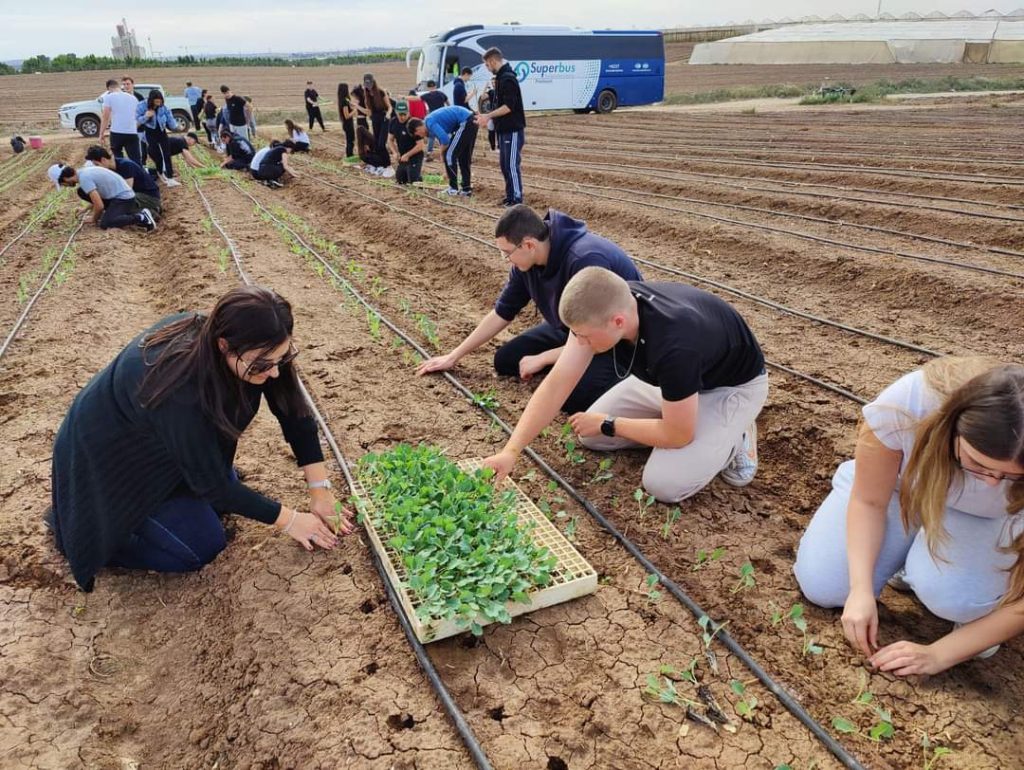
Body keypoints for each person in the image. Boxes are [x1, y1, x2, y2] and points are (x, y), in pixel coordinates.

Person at [48, 286, 353, 592]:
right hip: (114, 472)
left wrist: (320, 490)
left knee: (221, 495)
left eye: (280, 359)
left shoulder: (256, 346)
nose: (273, 373)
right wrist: (291, 521)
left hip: (164, 451)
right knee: (202, 546)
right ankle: (105, 538)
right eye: (262, 364)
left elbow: (293, 410)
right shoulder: (178, 387)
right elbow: (215, 486)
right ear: (224, 346)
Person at [793, 359, 1024, 675]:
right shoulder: (911, 403)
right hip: (899, 491)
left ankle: (925, 563)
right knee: (826, 585)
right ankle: (906, 554)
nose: (991, 482)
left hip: (985, 518)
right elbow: (869, 501)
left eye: (1012, 477)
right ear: (953, 426)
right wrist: (860, 591)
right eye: (978, 465)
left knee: (960, 600)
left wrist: (940, 654)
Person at [481, 268, 768, 504]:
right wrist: (511, 450)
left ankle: (736, 434)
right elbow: (557, 384)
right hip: (676, 384)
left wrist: (610, 424)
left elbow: (679, 435)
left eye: (582, 336)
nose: (578, 343)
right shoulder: (605, 306)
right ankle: (677, 413)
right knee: (591, 437)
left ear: (618, 322)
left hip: (727, 389)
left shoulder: (674, 344)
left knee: (663, 484)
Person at [418, 205, 644, 412]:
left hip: (613, 341)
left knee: (570, 398)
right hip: (571, 330)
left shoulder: (584, 259)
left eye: (507, 252)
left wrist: (545, 358)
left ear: (528, 244)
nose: (505, 259)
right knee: (506, 360)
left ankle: (629, 377)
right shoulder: (526, 265)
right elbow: (502, 312)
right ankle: (566, 367)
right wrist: (454, 356)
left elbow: (599, 331)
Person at [476, 47, 526, 207]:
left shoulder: (508, 79)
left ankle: (517, 199)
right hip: (503, 130)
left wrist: (488, 116)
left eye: (486, 65)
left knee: (511, 165)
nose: (487, 68)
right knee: (505, 165)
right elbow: (500, 99)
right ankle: (509, 196)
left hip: (512, 130)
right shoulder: (500, 78)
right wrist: (490, 95)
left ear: (492, 61)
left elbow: (508, 106)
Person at [49, 162, 155, 231]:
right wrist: (85, 209)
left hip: (124, 198)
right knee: (81, 191)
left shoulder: (84, 178)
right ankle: (113, 213)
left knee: (106, 223)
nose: (65, 186)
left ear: (64, 179)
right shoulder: (83, 172)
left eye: (62, 184)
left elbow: (99, 206)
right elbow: (97, 198)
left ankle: (142, 217)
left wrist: (93, 219)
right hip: (116, 196)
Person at [84, 145, 161, 218]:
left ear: (103, 160)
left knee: (117, 205)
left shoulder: (125, 166)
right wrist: (86, 209)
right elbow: (103, 194)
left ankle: (151, 212)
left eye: (97, 165)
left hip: (149, 197)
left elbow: (126, 193)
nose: (97, 168)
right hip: (136, 196)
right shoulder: (110, 170)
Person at [416, 104, 477, 196]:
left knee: (449, 155)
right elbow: (443, 138)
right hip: (470, 121)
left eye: (418, 134)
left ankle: (453, 188)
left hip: (465, 121)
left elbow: (445, 140)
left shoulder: (429, 122)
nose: (421, 136)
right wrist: (442, 154)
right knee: (463, 158)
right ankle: (466, 189)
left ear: (417, 128)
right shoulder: (430, 122)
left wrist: (441, 152)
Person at [136, 90, 181, 187]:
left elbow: (170, 119)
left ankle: (170, 178)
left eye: (160, 101)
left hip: (161, 132)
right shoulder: (142, 105)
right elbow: (136, 121)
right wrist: (146, 116)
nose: (158, 104)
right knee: (158, 156)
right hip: (149, 133)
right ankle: (160, 173)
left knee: (167, 154)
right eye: (156, 102)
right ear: (151, 100)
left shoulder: (163, 107)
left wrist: (176, 127)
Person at [98, 78, 143, 166]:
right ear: (119, 86)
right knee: (136, 159)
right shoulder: (133, 98)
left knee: (118, 159)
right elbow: (138, 117)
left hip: (117, 133)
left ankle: (123, 177)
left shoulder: (109, 97)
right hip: (132, 133)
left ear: (109, 89)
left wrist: (101, 134)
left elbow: (105, 117)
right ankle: (140, 178)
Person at [387, 104, 424, 184]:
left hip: (415, 155)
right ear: (396, 112)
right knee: (400, 180)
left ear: (408, 112)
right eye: (400, 114)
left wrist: (407, 155)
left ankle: (417, 177)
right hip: (403, 156)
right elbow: (390, 140)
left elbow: (420, 145)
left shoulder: (413, 123)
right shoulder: (393, 122)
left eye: (405, 114)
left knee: (413, 181)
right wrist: (394, 152)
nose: (402, 117)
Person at [361, 74, 391, 152]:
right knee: (376, 141)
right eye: (366, 84)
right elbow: (369, 112)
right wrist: (357, 106)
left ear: (373, 82)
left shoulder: (381, 92)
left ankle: (384, 161)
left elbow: (389, 107)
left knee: (382, 142)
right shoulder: (366, 96)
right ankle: (380, 159)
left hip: (384, 117)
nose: (368, 86)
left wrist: (388, 114)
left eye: (370, 84)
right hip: (375, 118)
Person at [419, 80, 449, 160]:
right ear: (435, 86)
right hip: (442, 117)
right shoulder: (441, 94)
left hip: (433, 118)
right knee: (442, 135)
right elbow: (448, 104)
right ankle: (445, 152)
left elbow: (417, 99)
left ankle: (429, 153)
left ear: (428, 87)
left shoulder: (427, 96)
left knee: (431, 136)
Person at [337, 83, 356, 157]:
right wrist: (354, 111)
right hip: (347, 124)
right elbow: (347, 116)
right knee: (350, 140)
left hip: (347, 123)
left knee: (350, 140)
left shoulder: (344, 100)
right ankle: (349, 155)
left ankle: (350, 154)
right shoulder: (344, 102)